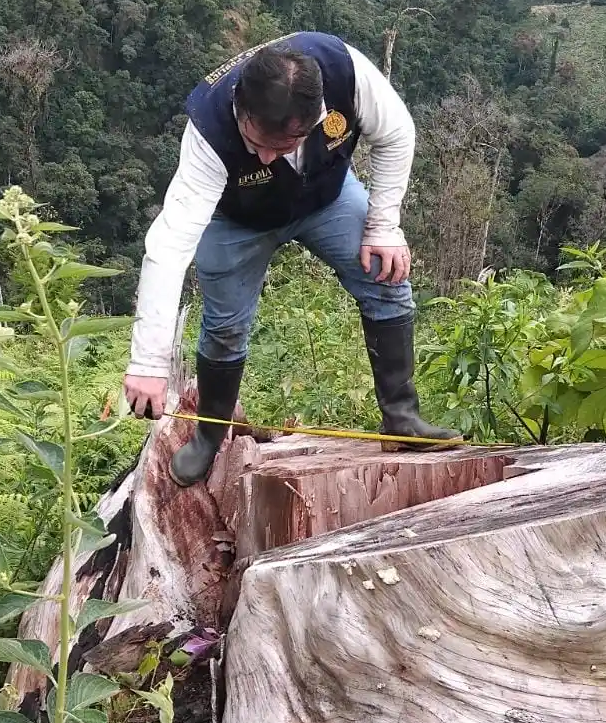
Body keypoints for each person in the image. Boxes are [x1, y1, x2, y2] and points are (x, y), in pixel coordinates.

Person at [122, 30, 460, 486]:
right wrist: (148, 364)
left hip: (326, 199)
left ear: (315, 117)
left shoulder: (347, 73)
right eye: (253, 139)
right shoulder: (210, 129)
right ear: (241, 107)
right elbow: (169, 244)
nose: (263, 156)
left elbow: (397, 134)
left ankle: (402, 418)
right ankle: (209, 438)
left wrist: (383, 226)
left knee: (387, 277)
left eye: (281, 147)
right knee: (224, 328)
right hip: (236, 221)